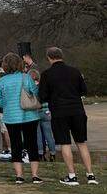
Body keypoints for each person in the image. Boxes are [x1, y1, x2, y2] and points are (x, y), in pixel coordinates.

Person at [38, 47, 98, 186]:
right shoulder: (75, 71)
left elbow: (42, 96)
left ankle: (72, 176)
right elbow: (84, 90)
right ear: (62, 56)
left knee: (65, 143)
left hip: (59, 112)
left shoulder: (47, 74)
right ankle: (90, 175)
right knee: (81, 142)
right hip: (77, 110)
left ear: (49, 58)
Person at [0, 53, 43, 184]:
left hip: (11, 117)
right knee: (32, 144)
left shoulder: (2, 81)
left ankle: (19, 176)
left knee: (15, 145)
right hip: (29, 116)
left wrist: (9, 104)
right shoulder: (26, 77)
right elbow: (35, 93)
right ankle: (35, 175)